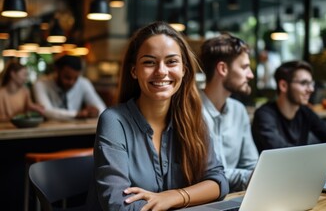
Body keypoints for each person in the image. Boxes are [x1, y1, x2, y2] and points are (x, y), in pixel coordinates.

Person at [87, 21, 229, 211]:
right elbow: (119, 206)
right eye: (149, 62)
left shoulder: (193, 118)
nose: (161, 71)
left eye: (171, 61)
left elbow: (219, 182)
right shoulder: (114, 121)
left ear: (184, 70)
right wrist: (189, 196)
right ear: (134, 71)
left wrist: (174, 197)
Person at [252, 60, 326, 181]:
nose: (311, 89)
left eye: (311, 84)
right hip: (275, 182)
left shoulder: (305, 112)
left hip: (302, 180)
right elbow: (280, 156)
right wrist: (322, 168)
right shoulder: (264, 115)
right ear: (283, 86)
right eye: (304, 83)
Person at [198, 33, 259, 192]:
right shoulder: (190, 112)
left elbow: (252, 164)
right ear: (223, 69)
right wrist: (258, 176)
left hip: (239, 197)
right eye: (245, 67)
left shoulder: (239, 110)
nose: (250, 75)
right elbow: (207, 175)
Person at [33, 55, 106, 120]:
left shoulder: (83, 83)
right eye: (67, 78)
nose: (72, 82)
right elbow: (46, 111)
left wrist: (96, 111)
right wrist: (77, 114)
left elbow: (102, 109)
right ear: (57, 71)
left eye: (76, 78)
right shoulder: (41, 84)